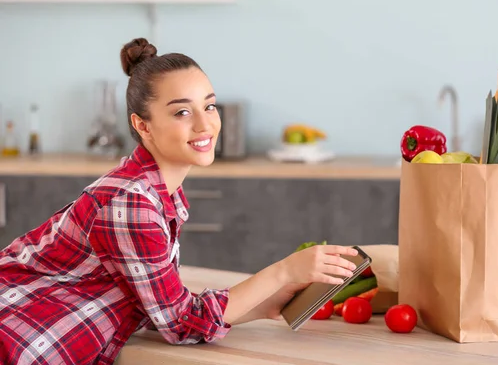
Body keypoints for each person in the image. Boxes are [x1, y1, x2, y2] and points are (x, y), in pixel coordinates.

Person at [0, 38, 359, 365]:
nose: (205, 126)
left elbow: (158, 305)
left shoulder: (157, 191)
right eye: (182, 112)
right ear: (143, 126)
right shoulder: (130, 203)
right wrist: (284, 271)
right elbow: (180, 324)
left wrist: (260, 307)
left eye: (210, 106)